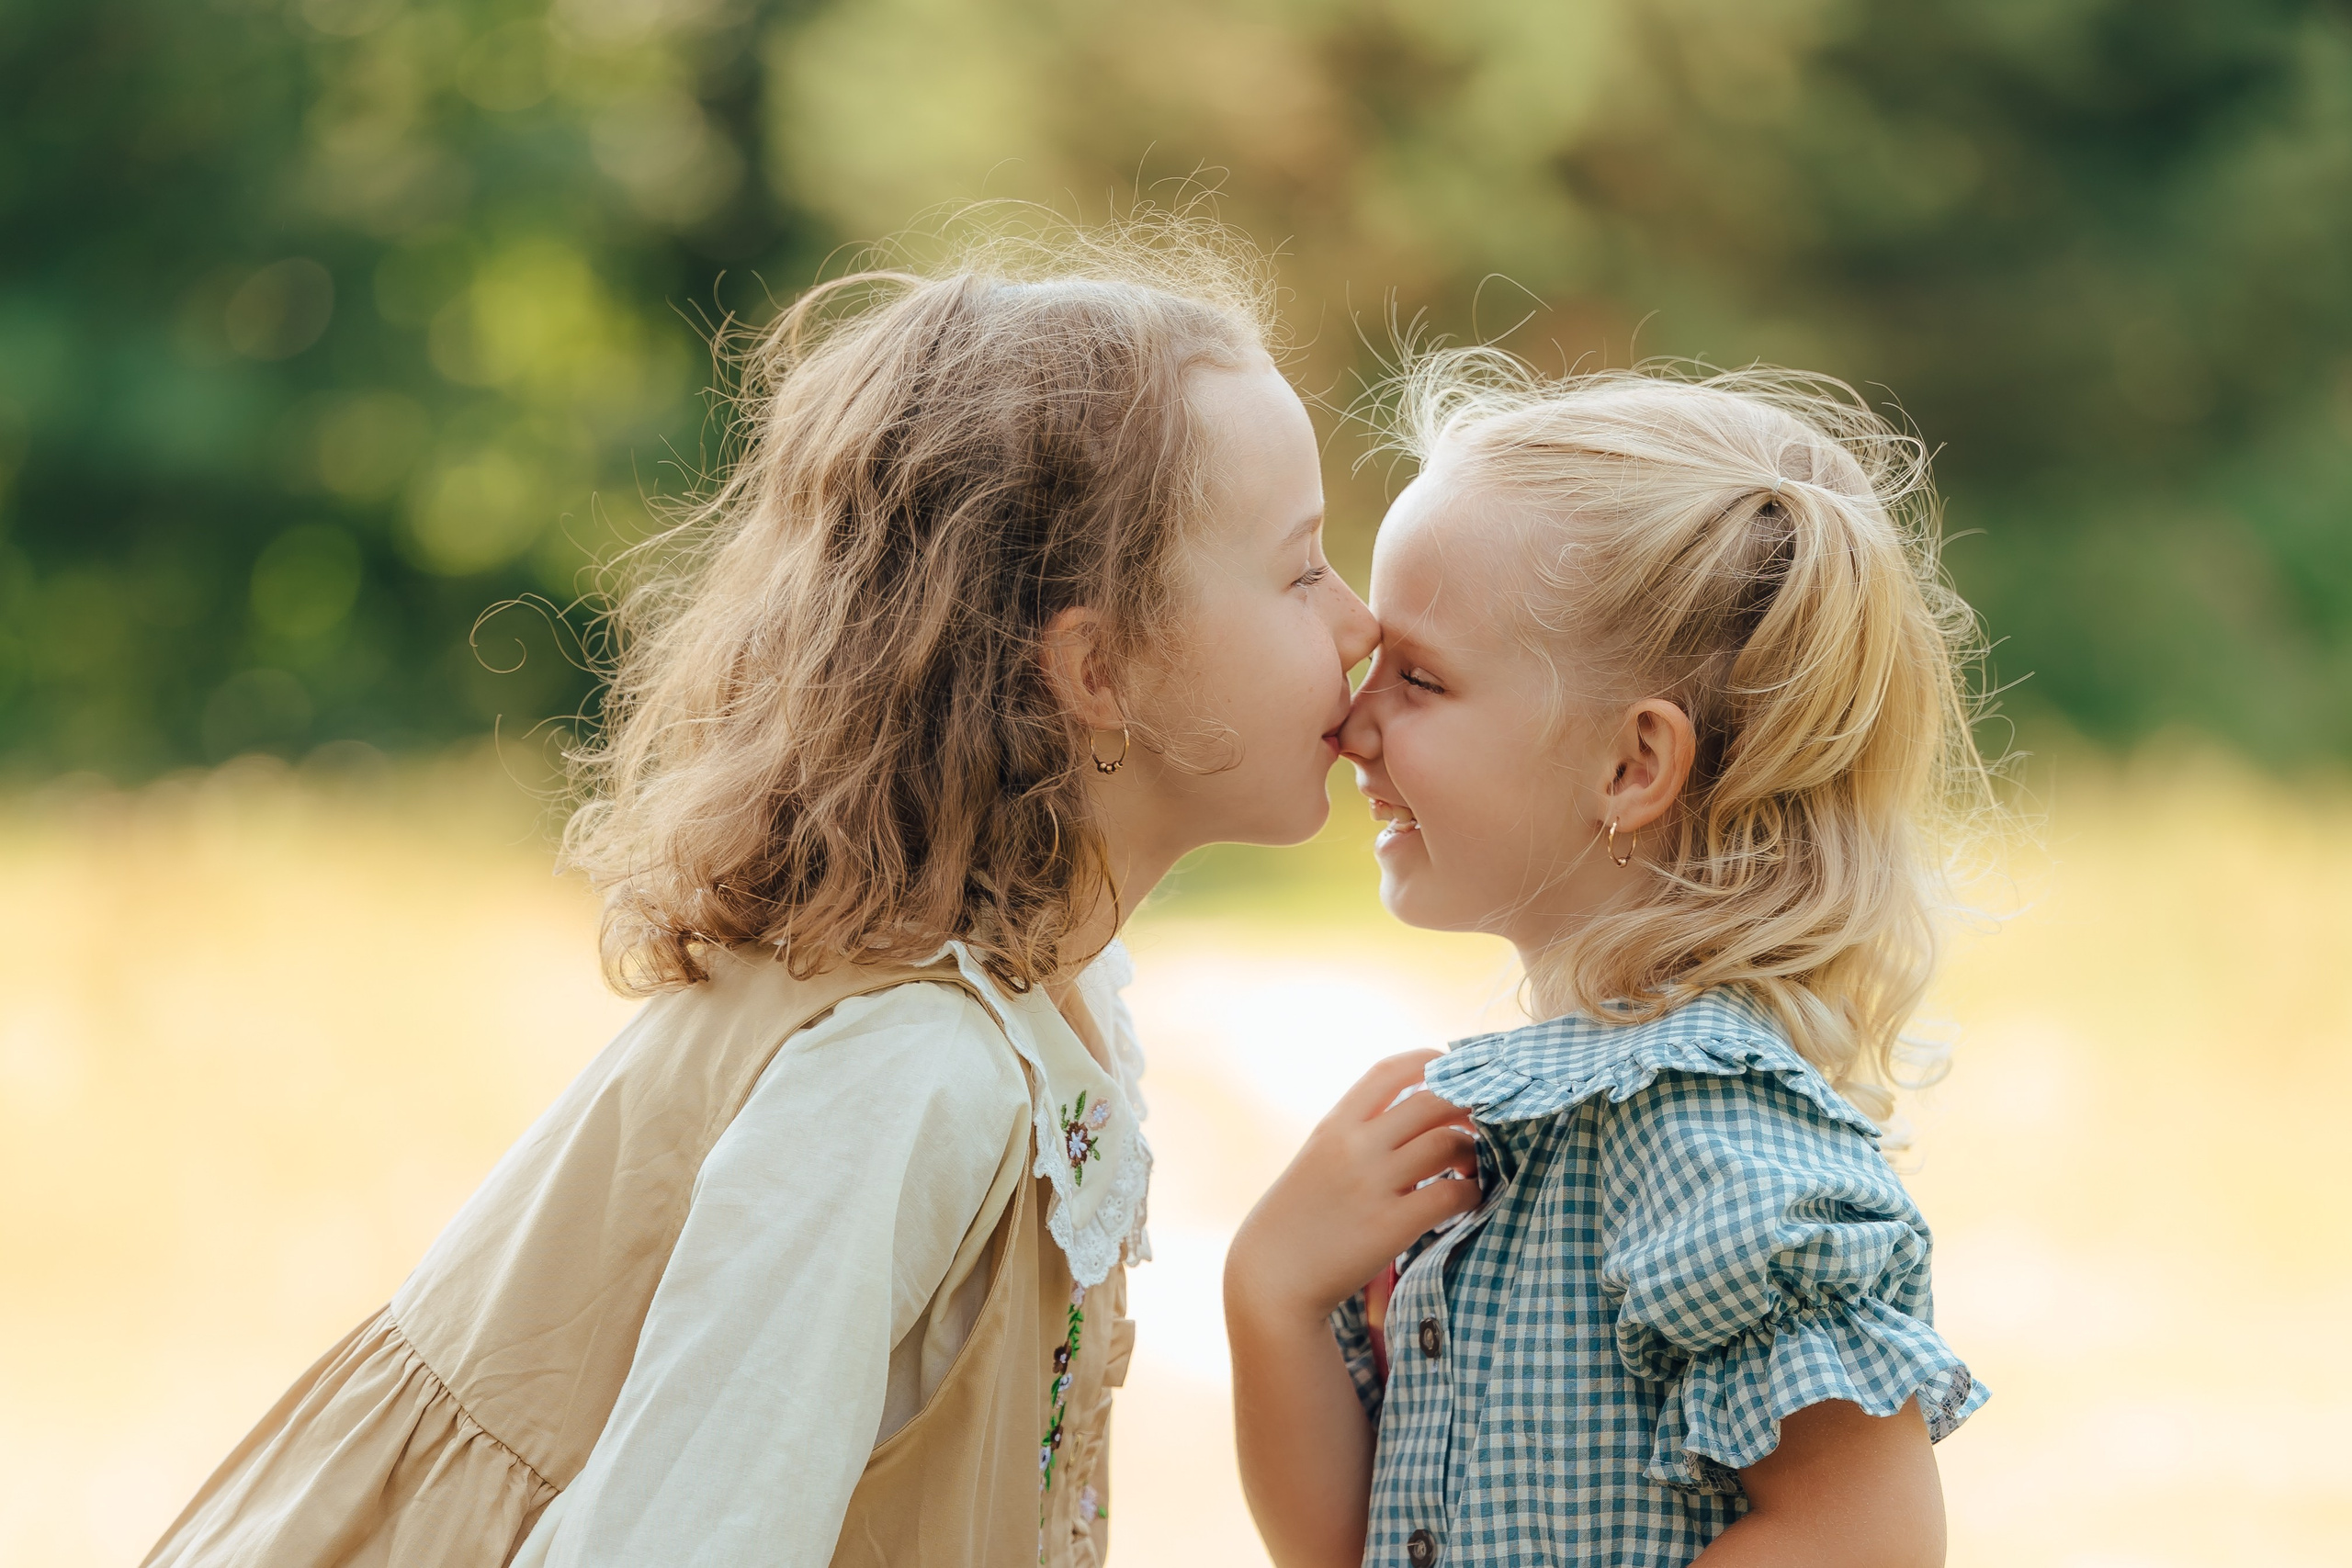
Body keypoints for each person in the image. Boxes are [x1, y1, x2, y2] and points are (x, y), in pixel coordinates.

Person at [143, 220, 1379, 1568]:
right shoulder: (908, 1077)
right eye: (1302, 568)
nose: (1360, 621)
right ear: (1097, 672)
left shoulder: (1049, 1001)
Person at [1225, 357, 1995, 1567]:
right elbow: (1350, 1546)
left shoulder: (1697, 1123)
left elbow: (1867, 1534)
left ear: (1632, 766)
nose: (1355, 719)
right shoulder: (1551, 1124)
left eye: (1419, 678)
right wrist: (1271, 1295)